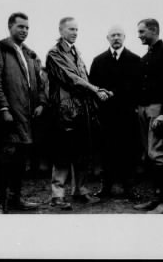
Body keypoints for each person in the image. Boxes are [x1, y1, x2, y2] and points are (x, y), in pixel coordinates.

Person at [0, 12, 47, 214]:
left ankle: (17, 199)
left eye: (27, 27)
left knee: (20, 161)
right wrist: (3, 108)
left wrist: (41, 104)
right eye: (20, 27)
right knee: (5, 161)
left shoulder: (30, 55)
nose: (24, 31)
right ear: (10, 27)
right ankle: (0, 203)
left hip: (27, 119)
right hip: (9, 118)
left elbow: (39, 82)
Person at [46, 17, 109, 210]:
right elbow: (70, 78)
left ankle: (79, 190)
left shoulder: (77, 53)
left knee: (82, 151)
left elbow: (83, 77)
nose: (75, 32)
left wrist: (99, 90)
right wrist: (95, 89)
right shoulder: (54, 53)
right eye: (71, 29)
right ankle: (57, 196)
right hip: (65, 111)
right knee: (63, 153)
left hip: (82, 111)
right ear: (61, 30)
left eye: (77, 30)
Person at [133, 18, 163, 214]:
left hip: (159, 110)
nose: (139, 35)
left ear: (154, 31)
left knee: (159, 155)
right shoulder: (147, 56)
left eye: (142, 32)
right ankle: (157, 197)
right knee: (151, 156)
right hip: (145, 110)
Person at [89, 25, 141, 200]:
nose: (116, 38)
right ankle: (106, 188)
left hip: (127, 113)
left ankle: (129, 188)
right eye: (113, 35)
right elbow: (93, 86)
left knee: (128, 151)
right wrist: (100, 95)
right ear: (107, 38)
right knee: (107, 151)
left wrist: (117, 94)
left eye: (119, 35)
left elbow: (138, 87)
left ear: (125, 37)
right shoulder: (98, 60)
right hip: (106, 115)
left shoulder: (135, 60)